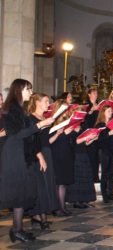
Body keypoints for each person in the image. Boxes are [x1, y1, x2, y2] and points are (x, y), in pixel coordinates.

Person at [0, 79, 54, 242]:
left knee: (22, 193)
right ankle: (17, 229)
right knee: (19, 192)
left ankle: (17, 229)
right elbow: (17, 134)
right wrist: (40, 125)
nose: (31, 93)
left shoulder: (18, 109)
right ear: (19, 90)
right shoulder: (11, 109)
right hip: (14, 155)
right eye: (28, 89)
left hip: (21, 154)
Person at [26, 93, 59, 229]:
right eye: (46, 101)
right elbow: (31, 141)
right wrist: (40, 156)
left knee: (47, 184)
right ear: (38, 103)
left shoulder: (44, 118)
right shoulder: (31, 119)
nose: (48, 104)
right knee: (39, 185)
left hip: (46, 151)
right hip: (36, 154)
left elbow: (46, 141)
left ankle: (42, 215)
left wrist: (57, 132)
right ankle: (37, 216)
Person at [95, 105, 113, 203]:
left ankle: (111, 194)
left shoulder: (112, 124)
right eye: (109, 111)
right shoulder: (100, 125)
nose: (111, 112)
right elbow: (98, 139)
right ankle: (105, 195)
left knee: (112, 174)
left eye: (111, 111)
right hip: (104, 151)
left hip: (112, 150)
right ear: (103, 112)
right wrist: (110, 133)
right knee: (105, 174)